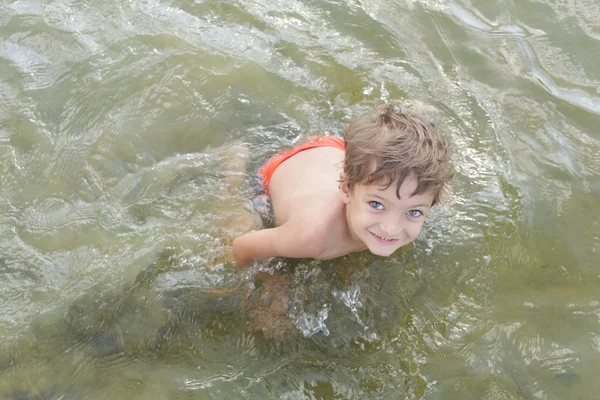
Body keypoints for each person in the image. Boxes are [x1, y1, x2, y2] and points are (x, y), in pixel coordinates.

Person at [232, 103, 452, 269]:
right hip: (275, 169)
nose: (391, 228)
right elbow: (242, 247)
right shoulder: (312, 236)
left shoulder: (418, 191)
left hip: (342, 152)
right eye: (376, 204)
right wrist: (269, 284)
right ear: (346, 190)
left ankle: (403, 114)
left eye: (414, 212)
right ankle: (233, 156)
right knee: (235, 210)